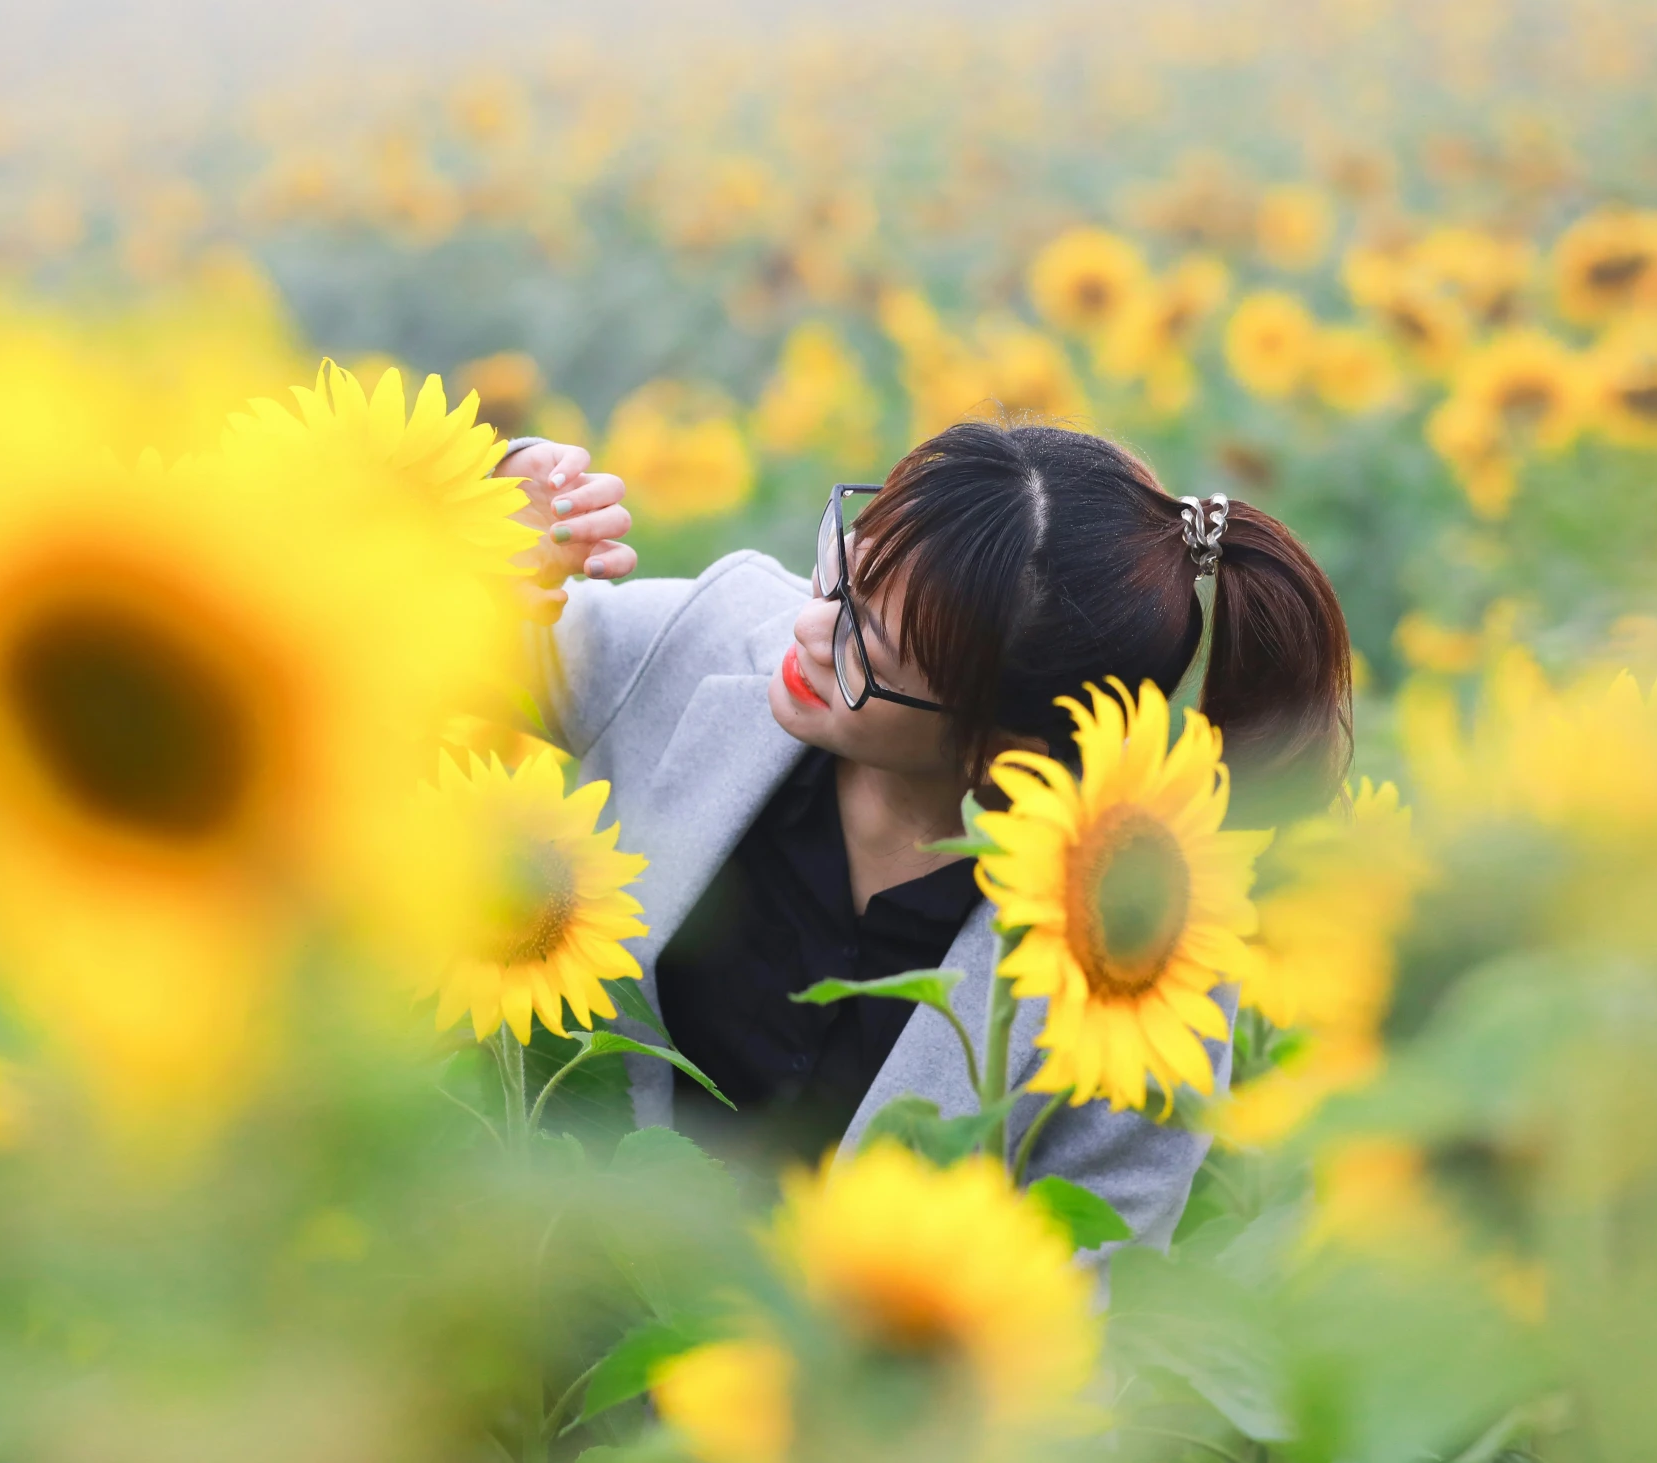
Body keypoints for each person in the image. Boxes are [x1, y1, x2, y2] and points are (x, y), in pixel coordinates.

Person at [494, 417, 1350, 1246]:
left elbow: (1094, 1285)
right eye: (846, 574)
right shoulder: (713, 644)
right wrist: (489, 510)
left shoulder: (1133, 956)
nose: (810, 627)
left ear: (1000, 750)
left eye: (870, 645)